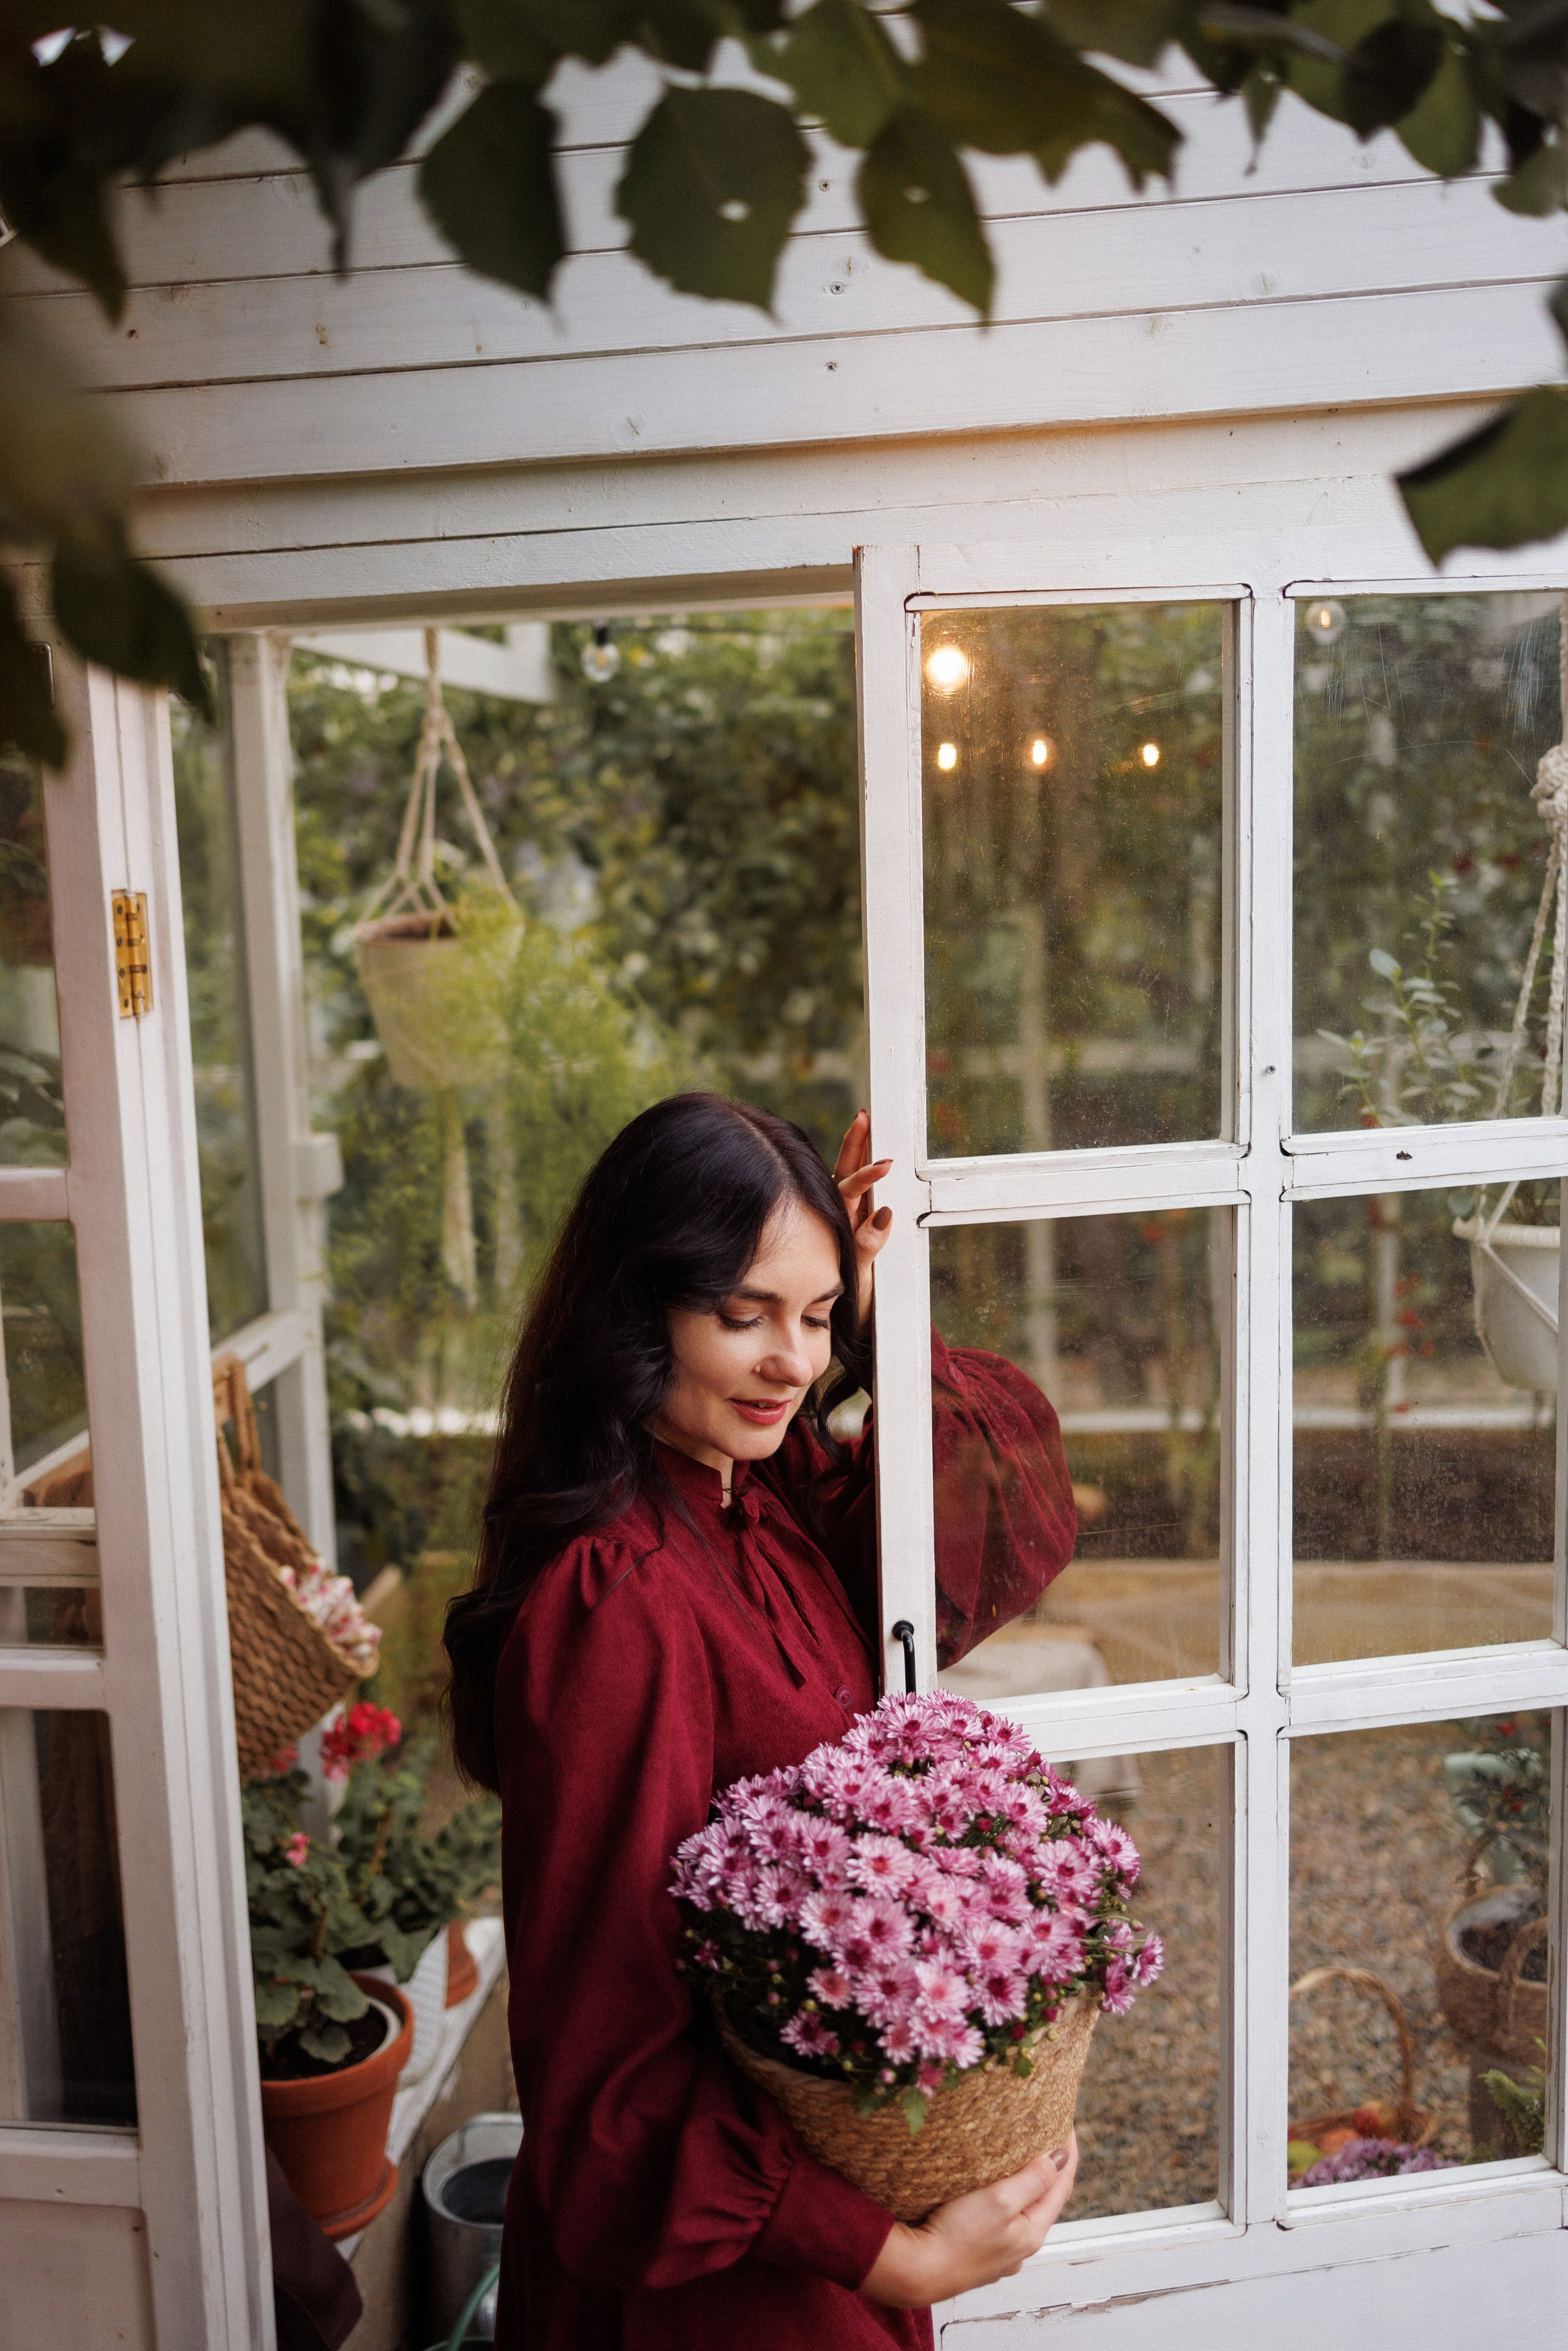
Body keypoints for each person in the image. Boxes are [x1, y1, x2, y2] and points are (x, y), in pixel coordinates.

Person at [445, 1095, 1082, 2350]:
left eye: (812, 1314)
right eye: (741, 1314)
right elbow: (604, 2069)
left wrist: (877, 1308)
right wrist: (891, 2257)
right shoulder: (614, 1596)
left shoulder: (755, 1494)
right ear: (638, 1311)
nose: (792, 1360)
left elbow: (994, 1523)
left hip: (807, 2222)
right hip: (718, 2286)